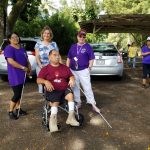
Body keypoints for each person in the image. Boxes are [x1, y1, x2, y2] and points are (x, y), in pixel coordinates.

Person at [37, 50, 79, 133]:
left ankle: (71, 118)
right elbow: (38, 80)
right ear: (49, 57)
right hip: (53, 89)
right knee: (55, 100)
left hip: (64, 89)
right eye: (54, 55)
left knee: (70, 95)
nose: (57, 56)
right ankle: (52, 122)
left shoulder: (65, 67)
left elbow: (71, 75)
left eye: (58, 55)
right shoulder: (45, 69)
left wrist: (72, 79)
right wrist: (45, 81)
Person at [66, 29, 100, 113]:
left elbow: (91, 58)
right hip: (73, 70)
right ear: (77, 36)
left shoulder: (87, 46)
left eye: (83, 36)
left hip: (83, 70)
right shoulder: (73, 46)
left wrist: (90, 67)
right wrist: (67, 69)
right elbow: (68, 58)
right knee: (75, 87)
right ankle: (78, 102)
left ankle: (93, 104)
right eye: (80, 36)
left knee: (87, 87)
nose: (82, 38)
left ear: (85, 38)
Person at [4, 32, 31, 120]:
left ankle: (18, 109)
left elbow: (26, 59)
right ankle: (10, 111)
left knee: (20, 93)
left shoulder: (21, 48)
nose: (15, 38)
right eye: (13, 37)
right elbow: (11, 61)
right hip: (14, 74)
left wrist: (29, 67)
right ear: (9, 39)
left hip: (23, 74)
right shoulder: (8, 48)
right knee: (17, 94)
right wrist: (23, 67)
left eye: (17, 37)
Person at [35, 26, 61, 93]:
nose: (46, 35)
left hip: (51, 66)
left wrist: (60, 66)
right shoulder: (38, 43)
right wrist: (40, 65)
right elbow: (37, 56)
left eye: (48, 33)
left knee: (52, 82)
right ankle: (44, 97)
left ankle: (51, 98)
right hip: (41, 66)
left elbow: (58, 55)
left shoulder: (53, 44)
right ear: (42, 34)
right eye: (45, 33)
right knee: (41, 83)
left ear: (50, 35)